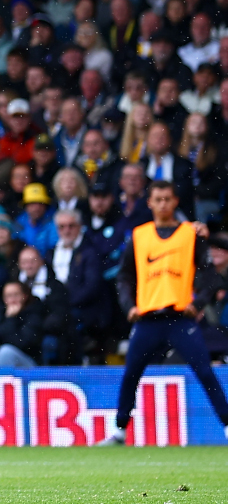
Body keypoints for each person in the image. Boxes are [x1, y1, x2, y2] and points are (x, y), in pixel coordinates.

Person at [99, 181, 228, 445]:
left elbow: (210, 274)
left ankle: (227, 426)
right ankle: (120, 429)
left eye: (167, 199)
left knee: (204, 371)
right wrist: (129, 306)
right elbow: (124, 276)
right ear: (149, 203)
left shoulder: (188, 234)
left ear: (175, 201)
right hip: (148, 318)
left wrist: (199, 302)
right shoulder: (140, 235)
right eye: (157, 199)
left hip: (180, 317)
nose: (163, 204)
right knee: (131, 373)